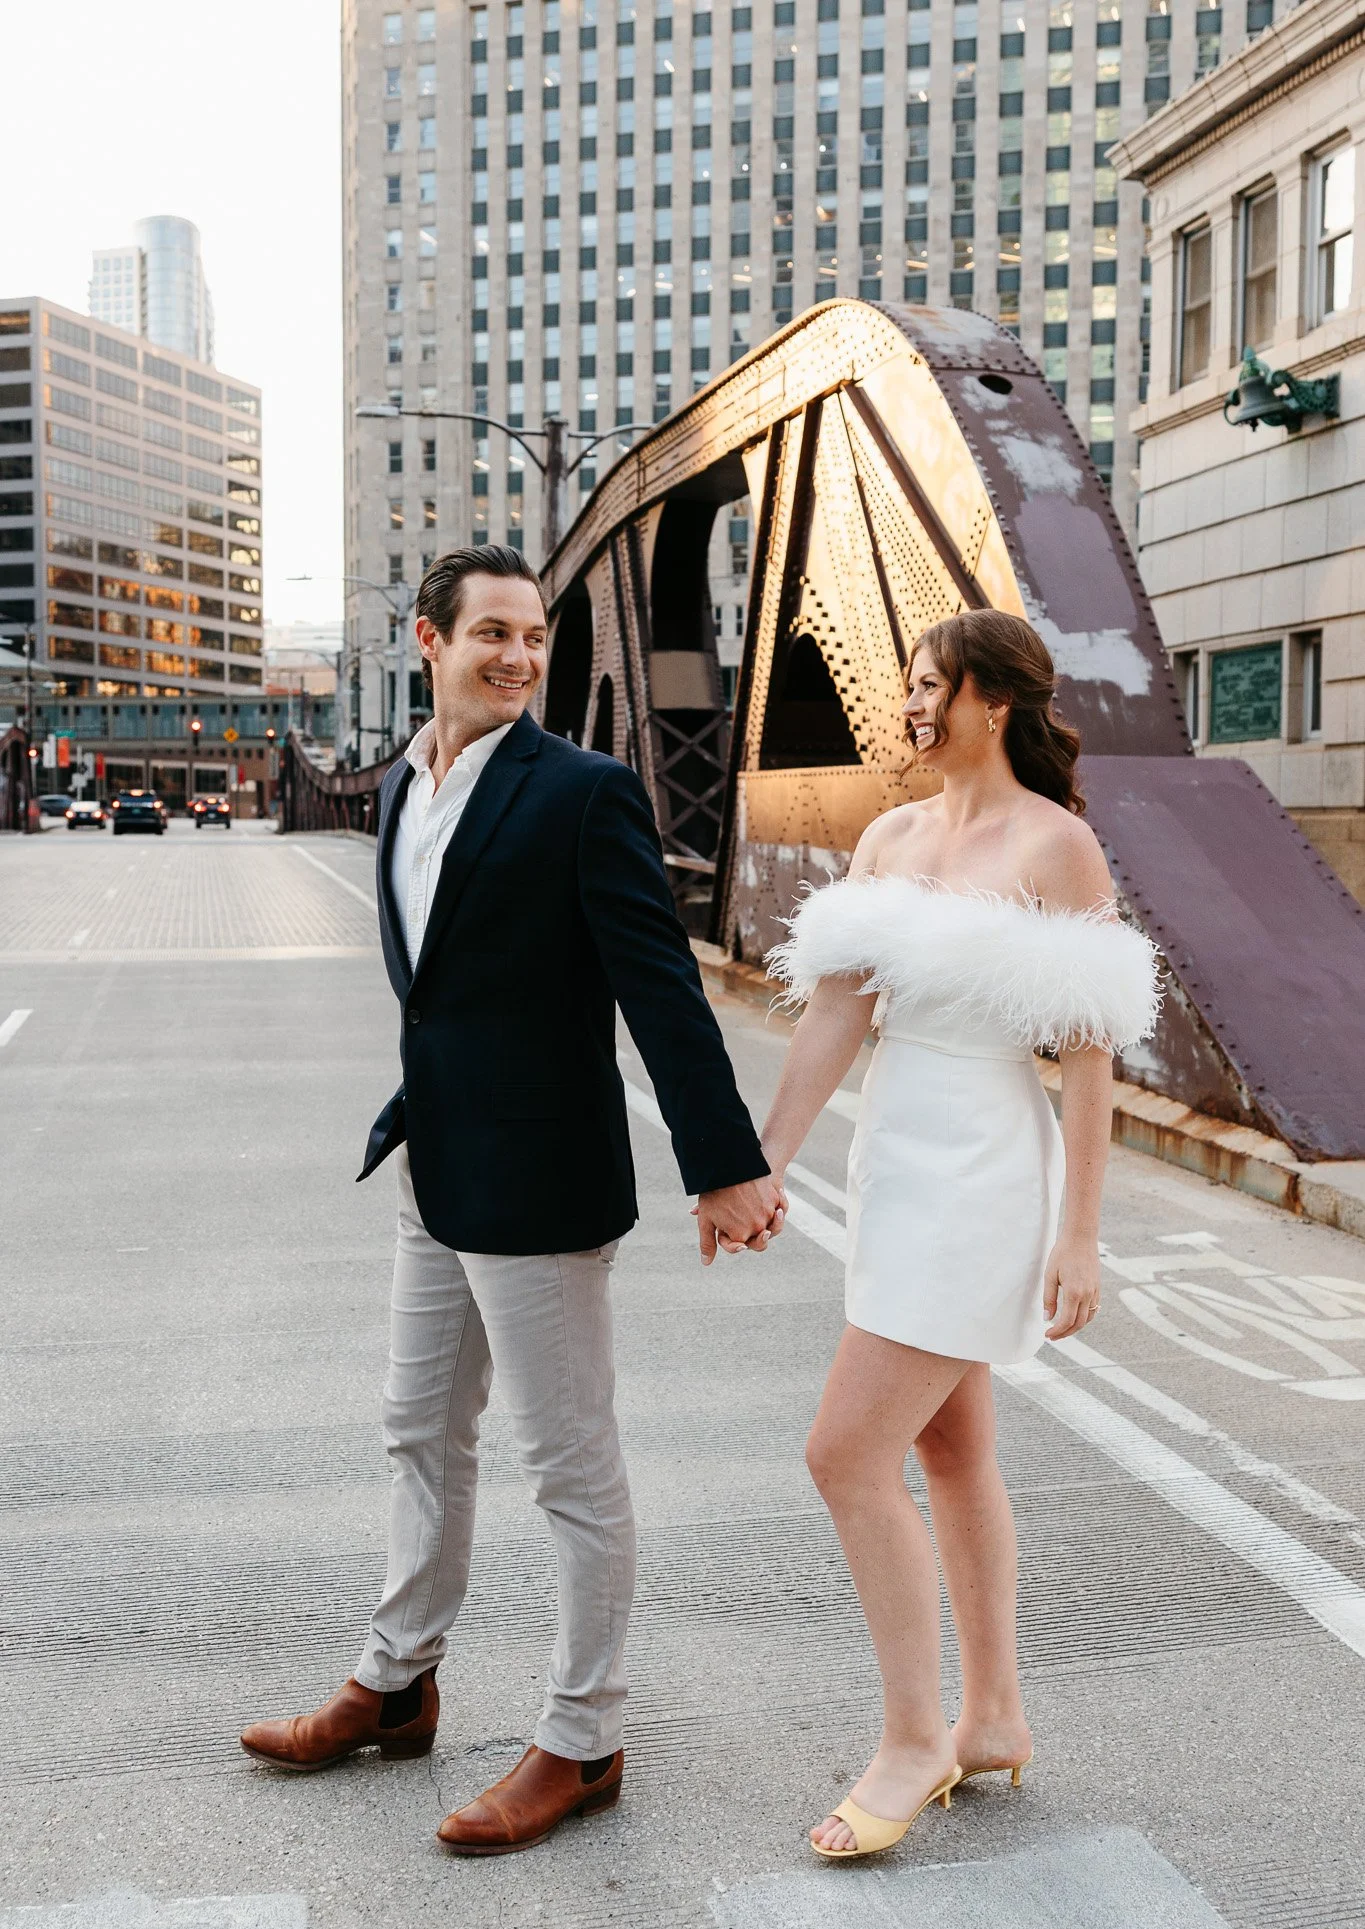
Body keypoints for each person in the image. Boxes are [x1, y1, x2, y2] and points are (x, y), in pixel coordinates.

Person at [241, 545, 785, 1855]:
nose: (519, 657)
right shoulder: (398, 793)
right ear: (427, 640)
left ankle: (584, 1740)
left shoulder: (582, 794)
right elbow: (434, 988)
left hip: (541, 1183)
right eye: (491, 632)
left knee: (570, 1469)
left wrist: (723, 1163)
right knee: (416, 1431)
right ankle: (396, 1681)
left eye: (535, 637)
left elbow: (659, 984)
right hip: (437, 1165)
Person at [762, 608, 1158, 1860]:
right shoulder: (887, 834)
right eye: (910, 684)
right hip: (898, 1159)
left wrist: (1080, 1236)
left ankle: (914, 1736)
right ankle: (992, 1717)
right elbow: (836, 1010)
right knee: (952, 1445)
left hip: (989, 1166)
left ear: (993, 699)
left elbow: (1090, 1063)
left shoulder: (1060, 846)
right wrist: (758, 1160)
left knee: (842, 1454)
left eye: (932, 685)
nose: (912, 703)